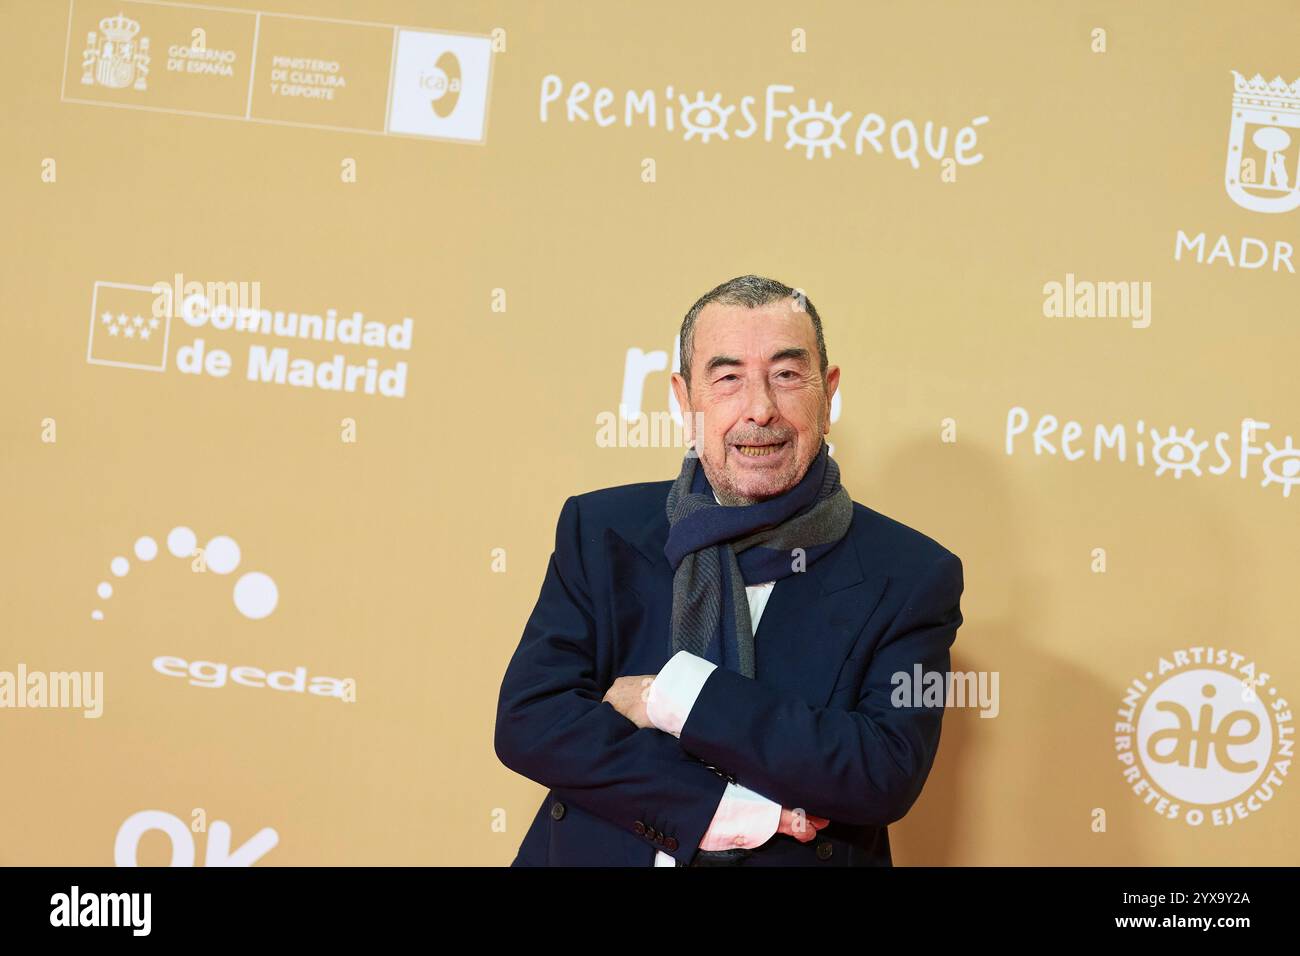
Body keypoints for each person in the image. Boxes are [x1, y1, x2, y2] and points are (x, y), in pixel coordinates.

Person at [494, 274, 964, 866]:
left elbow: (880, 771)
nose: (760, 409)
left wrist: (676, 696)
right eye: (727, 378)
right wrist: (713, 807)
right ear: (682, 399)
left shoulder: (911, 574)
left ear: (829, 394)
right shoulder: (600, 529)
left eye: (787, 375)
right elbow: (531, 721)